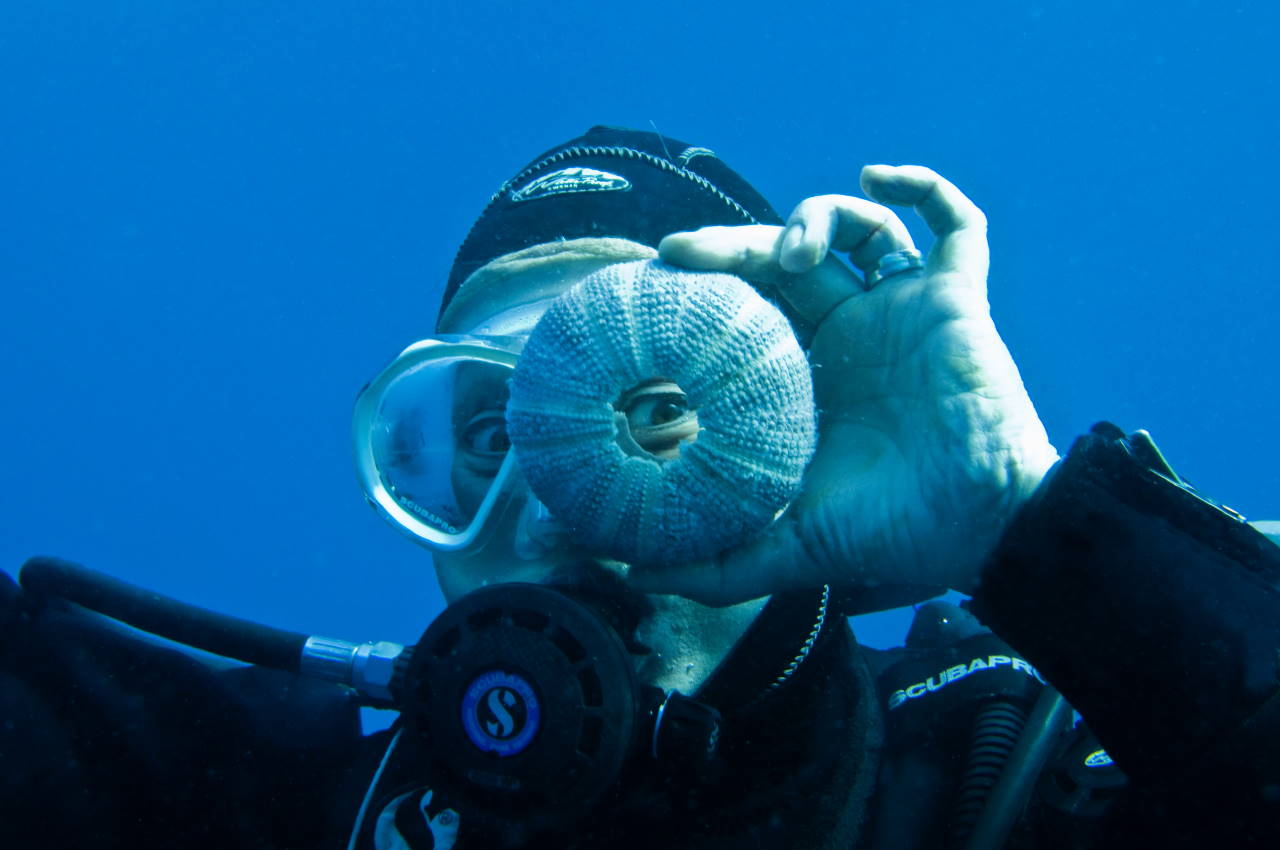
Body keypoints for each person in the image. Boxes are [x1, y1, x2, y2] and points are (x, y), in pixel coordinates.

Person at [2, 125, 1278, 850]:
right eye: (490, 433)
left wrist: (1031, 527)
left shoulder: (1014, 774)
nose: (551, 503)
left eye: (651, 407)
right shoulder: (261, 801)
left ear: (798, 443)